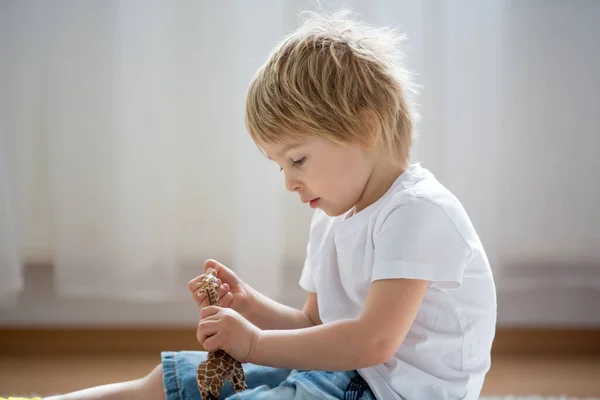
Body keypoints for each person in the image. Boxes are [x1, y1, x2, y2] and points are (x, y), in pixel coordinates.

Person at [42, 9, 496, 400]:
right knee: (175, 380)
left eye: (297, 159)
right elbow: (314, 325)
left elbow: (372, 342)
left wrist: (256, 344)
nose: (289, 182)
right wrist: (252, 307)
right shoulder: (333, 214)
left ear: (366, 129)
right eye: (280, 166)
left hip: (388, 390)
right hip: (342, 372)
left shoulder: (418, 212)